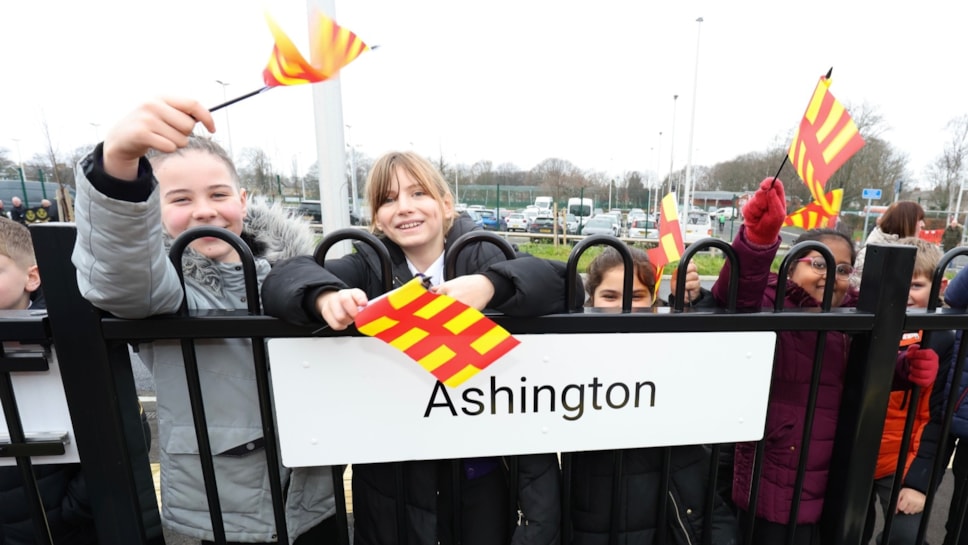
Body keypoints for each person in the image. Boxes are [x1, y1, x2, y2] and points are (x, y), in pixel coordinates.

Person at [261, 150, 578, 545]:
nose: (405, 208)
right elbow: (282, 278)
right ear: (376, 217)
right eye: (389, 199)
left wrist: (490, 285)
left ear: (446, 205)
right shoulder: (368, 266)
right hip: (396, 481)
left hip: (481, 475)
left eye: (418, 193)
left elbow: (563, 282)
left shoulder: (483, 254)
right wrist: (323, 296)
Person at [71, 97, 337, 544]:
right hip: (219, 505)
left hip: (312, 495)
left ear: (243, 199)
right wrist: (116, 164)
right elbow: (120, 276)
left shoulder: (288, 273)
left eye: (218, 194)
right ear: (153, 207)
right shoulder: (164, 285)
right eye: (180, 198)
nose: (204, 210)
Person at [711, 178, 934, 545]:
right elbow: (734, 294)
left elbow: (859, 372)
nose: (833, 275)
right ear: (792, 265)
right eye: (820, 263)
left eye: (844, 269)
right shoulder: (769, 300)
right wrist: (758, 240)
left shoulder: (855, 317)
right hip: (777, 477)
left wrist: (901, 370)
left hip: (836, 477)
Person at [567, 245, 738, 544]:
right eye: (610, 296)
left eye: (636, 297)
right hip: (594, 512)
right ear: (590, 298)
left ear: (653, 298)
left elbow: (710, 354)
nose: (623, 308)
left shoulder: (672, 345)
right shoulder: (568, 351)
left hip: (668, 509)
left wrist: (692, 302)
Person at [0, 217, 99, 544]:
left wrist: (72, 509)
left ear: (32, 277)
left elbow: (117, 430)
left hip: (59, 528)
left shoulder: (66, 340)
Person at [862, 237, 951, 545]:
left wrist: (920, 483)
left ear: (940, 286)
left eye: (915, 285)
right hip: (854, 457)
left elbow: (939, 418)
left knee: (903, 537)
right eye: (899, 285)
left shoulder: (942, 339)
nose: (905, 295)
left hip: (904, 462)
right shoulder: (862, 325)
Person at [854, 201, 925, 286]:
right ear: (907, 222)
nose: (923, 225)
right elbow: (859, 291)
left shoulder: (911, 252)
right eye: (919, 220)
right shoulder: (870, 254)